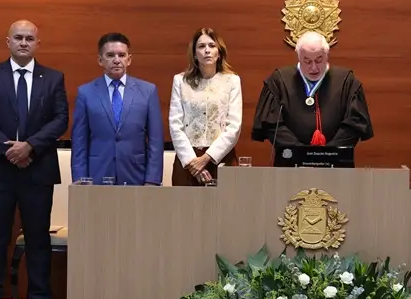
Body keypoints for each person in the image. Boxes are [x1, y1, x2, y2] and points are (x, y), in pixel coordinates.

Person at [0, 20, 68, 299]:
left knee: (38, 239)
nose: (24, 42)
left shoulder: (53, 78)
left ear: (38, 43)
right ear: (8, 42)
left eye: (30, 38)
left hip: (37, 169)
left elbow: (60, 119)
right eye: (18, 38)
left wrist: (30, 147)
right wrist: (9, 149)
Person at [250, 31, 373, 148]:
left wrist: (329, 152)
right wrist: (301, 152)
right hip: (290, 160)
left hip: (336, 161)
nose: (314, 67)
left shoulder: (346, 80)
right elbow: (272, 124)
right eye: (307, 61)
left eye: (319, 60)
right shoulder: (279, 80)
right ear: (298, 57)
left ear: (327, 55)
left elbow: (354, 123)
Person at [71, 32, 164, 186]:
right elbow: (79, 141)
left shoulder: (148, 91)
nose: (116, 60)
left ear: (129, 59)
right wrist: (80, 178)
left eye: (121, 55)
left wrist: (152, 180)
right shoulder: (85, 93)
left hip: (136, 176)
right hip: (97, 177)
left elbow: (155, 140)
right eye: (110, 55)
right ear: (100, 60)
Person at [168, 28, 242, 185]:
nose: (207, 50)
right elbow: (175, 125)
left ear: (219, 52)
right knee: (186, 207)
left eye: (212, 45)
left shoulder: (232, 81)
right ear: (194, 54)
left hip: (221, 157)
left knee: (225, 208)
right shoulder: (181, 81)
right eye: (201, 46)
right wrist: (193, 162)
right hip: (189, 160)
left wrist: (207, 158)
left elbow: (234, 126)